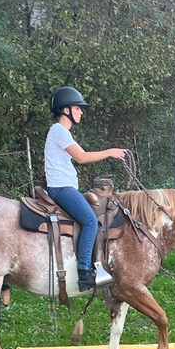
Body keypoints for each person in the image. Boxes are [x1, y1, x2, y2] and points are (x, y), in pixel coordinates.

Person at [44, 86, 127, 290]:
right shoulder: (58, 131)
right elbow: (81, 157)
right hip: (61, 188)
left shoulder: (62, 133)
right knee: (90, 221)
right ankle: (84, 273)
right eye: (78, 108)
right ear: (66, 110)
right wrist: (110, 152)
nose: (81, 112)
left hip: (65, 187)